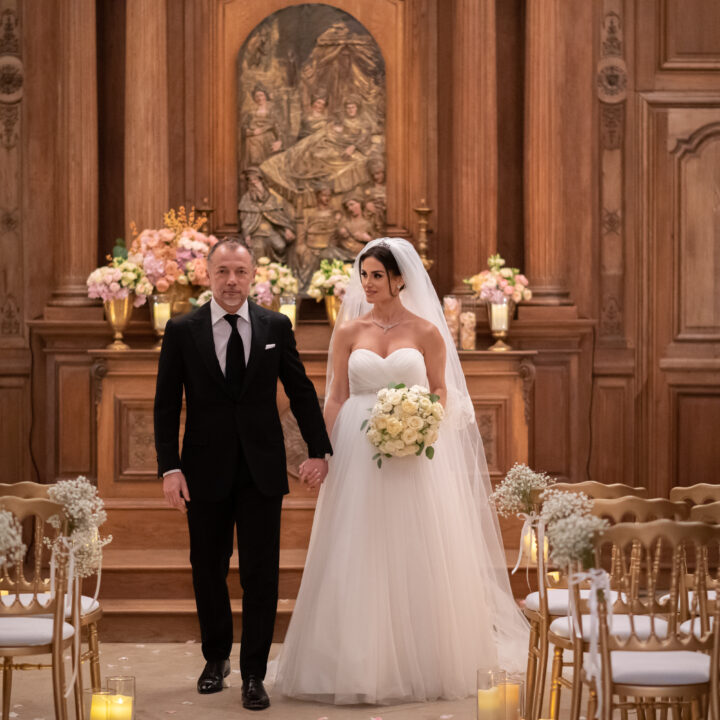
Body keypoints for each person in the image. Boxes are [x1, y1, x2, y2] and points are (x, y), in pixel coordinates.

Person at [273, 237, 528, 704]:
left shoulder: (427, 331)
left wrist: (423, 424)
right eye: (364, 274)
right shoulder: (348, 332)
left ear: (399, 279)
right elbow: (335, 395)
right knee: (356, 544)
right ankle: (351, 661)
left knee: (413, 542)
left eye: (376, 275)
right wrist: (322, 451)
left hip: (412, 452)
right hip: (355, 447)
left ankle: (422, 661)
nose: (367, 283)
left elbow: (441, 389)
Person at [154, 237, 332, 711]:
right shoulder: (181, 329)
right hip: (202, 471)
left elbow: (299, 389)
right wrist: (170, 468)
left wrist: (320, 450)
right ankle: (216, 660)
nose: (231, 281)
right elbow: (167, 405)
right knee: (207, 569)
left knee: (261, 574)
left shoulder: (276, 324)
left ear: (253, 276)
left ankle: (255, 672)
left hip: (261, 470)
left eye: (240, 272)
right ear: (207, 276)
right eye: (223, 272)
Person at [238, 167, 296, 264]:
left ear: (261, 181)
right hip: (256, 233)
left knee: (280, 246)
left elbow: (279, 217)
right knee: (258, 248)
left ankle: (277, 271)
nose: (253, 183)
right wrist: (247, 235)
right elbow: (245, 220)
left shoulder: (271, 198)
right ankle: (261, 274)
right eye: (250, 181)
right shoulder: (246, 200)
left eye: (255, 180)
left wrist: (286, 229)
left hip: (271, 231)